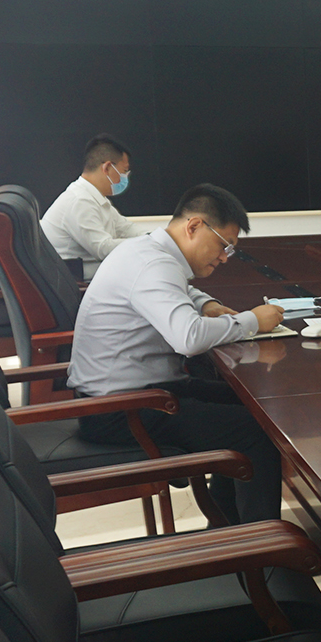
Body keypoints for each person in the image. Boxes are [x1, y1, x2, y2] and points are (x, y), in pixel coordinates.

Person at [68, 184, 287, 524]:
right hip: (119, 409)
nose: (224, 257)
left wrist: (207, 304)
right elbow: (189, 338)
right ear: (194, 226)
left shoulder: (148, 251)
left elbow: (178, 290)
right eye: (224, 245)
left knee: (253, 405)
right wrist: (252, 321)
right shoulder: (152, 264)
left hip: (131, 394)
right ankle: (261, 544)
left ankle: (228, 523)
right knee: (255, 432)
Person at [41, 135, 145, 278]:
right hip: (76, 283)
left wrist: (154, 237)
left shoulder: (95, 198)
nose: (125, 177)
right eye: (124, 171)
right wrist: (146, 243)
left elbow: (125, 228)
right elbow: (102, 248)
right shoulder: (79, 201)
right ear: (107, 167)